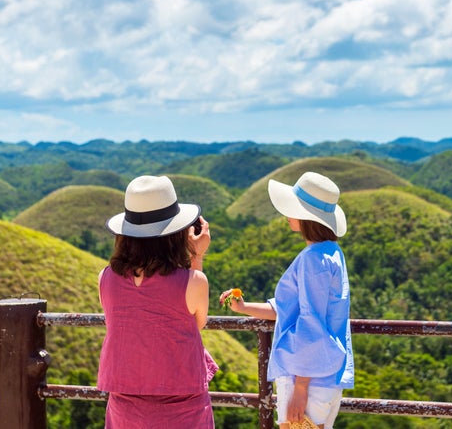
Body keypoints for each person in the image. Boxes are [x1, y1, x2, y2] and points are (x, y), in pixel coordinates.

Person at [220, 171, 354, 429]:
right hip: (325, 374)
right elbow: (289, 310)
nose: (286, 215)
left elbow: (310, 321)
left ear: (306, 217)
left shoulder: (312, 259)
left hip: (307, 378)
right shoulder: (331, 253)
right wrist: (244, 307)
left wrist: (300, 389)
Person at [97, 175, 216, 428]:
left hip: (124, 404)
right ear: (175, 233)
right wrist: (196, 257)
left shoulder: (106, 278)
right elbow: (195, 324)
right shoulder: (194, 281)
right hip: (183, 406)